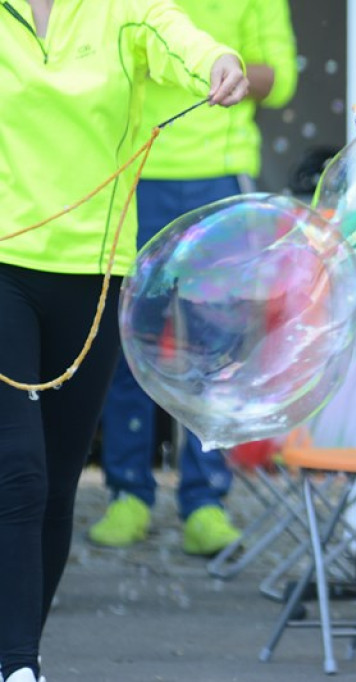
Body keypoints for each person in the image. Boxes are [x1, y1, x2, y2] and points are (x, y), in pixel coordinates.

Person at [0, 1, 248, 680]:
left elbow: (181, 39)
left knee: (55, 484)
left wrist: (219, 61)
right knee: (17, 470)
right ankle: (18, 666)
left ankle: (17, 649)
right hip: (3, 270)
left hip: (96, 272)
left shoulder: (122, 9)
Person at [89, 0, 298, 557]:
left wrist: (224, 69)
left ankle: (205, 500)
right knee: (127, 341)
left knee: (216, 349)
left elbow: (281, 80)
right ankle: (127, 493)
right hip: (136, 169)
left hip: (219, 175)